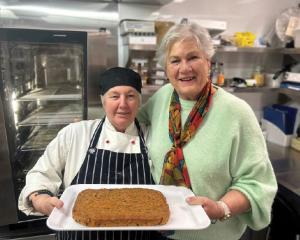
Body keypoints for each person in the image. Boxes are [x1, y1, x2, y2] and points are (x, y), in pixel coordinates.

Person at [138, 21, 278, 240]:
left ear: (208, 62)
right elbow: (128, 124)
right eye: (175, 60)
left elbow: (257, 183)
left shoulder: (237, 112)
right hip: (160, 229)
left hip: (213, 235)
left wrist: (221, 208)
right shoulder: (162, 97)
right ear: (166, 68)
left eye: (193, 57)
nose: (184, 68)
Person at [18, 67, 164, 240]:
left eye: (130, 96)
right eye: (114, 96)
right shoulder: (77, 133)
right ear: (103, 101)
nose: (123, 104)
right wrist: (39, 198)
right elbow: (41, 173)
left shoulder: (152, 137)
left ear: (139, 101)